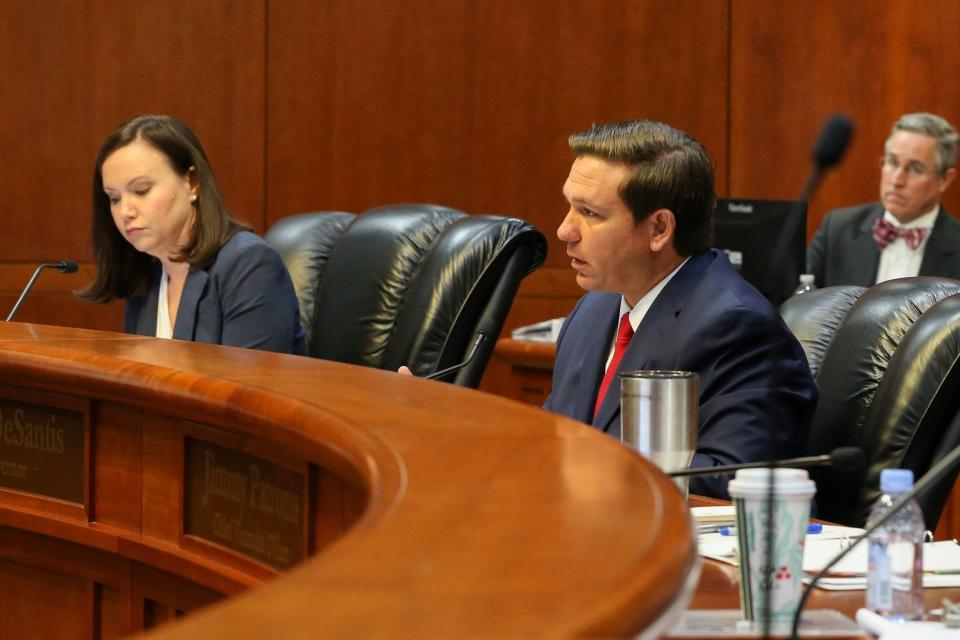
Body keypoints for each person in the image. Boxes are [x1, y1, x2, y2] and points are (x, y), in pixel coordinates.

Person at [543, 119, 817, 499]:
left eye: (589, 213)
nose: (564, 231)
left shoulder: (736, 327)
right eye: (570, 207)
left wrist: (589, 468)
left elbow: (732, 478)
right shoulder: (593, 311)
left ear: (658, 229)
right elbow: (554, 436)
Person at [80, 114, 306, 355]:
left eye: (141, 190)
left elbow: (250, 386)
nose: (125, 211)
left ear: (192, 182)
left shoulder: (248, 265)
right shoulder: (147, 274)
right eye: (114, 198)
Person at [808, 112, 960, 287]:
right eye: (892, 162)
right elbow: (797, 302)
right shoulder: (837, 229)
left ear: (945, 180)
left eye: (916, 169)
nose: (897, 180)